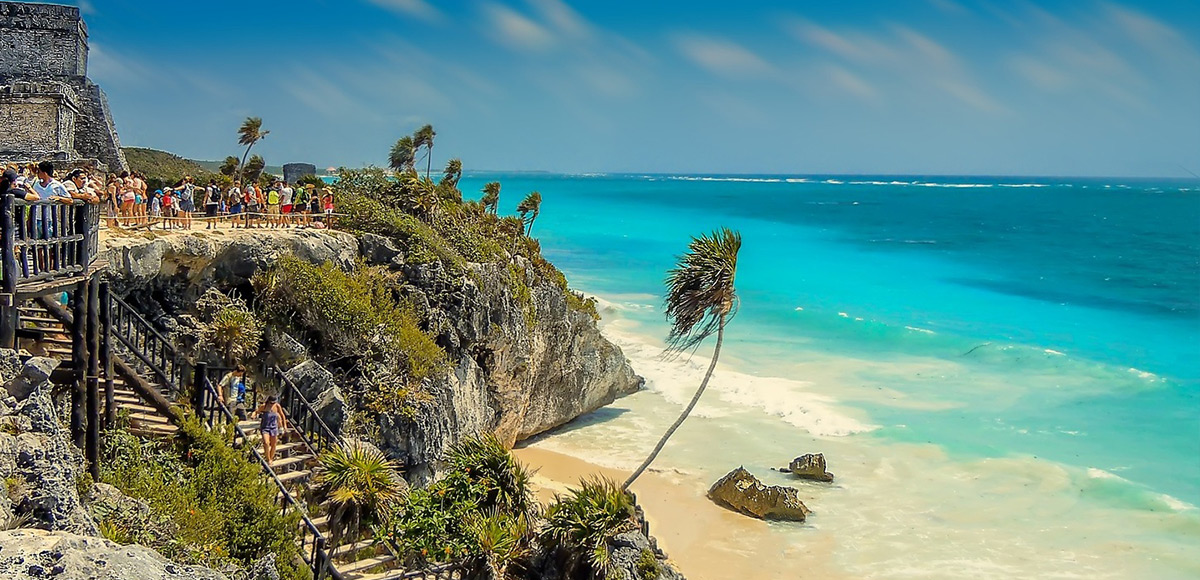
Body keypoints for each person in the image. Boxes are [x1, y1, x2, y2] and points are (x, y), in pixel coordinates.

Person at [255, 395, 288, 463]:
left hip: (274, 427)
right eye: (271, 403)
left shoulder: (277, 406)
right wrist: (254, 415)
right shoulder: (264, 406)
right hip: (265, 427)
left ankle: (271, 458)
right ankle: (268, 458)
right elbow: (256, 411)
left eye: (273, 403)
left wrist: (284, 425)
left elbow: (282, 415)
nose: (272, 404)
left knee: (274, 444)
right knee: (266, 443)